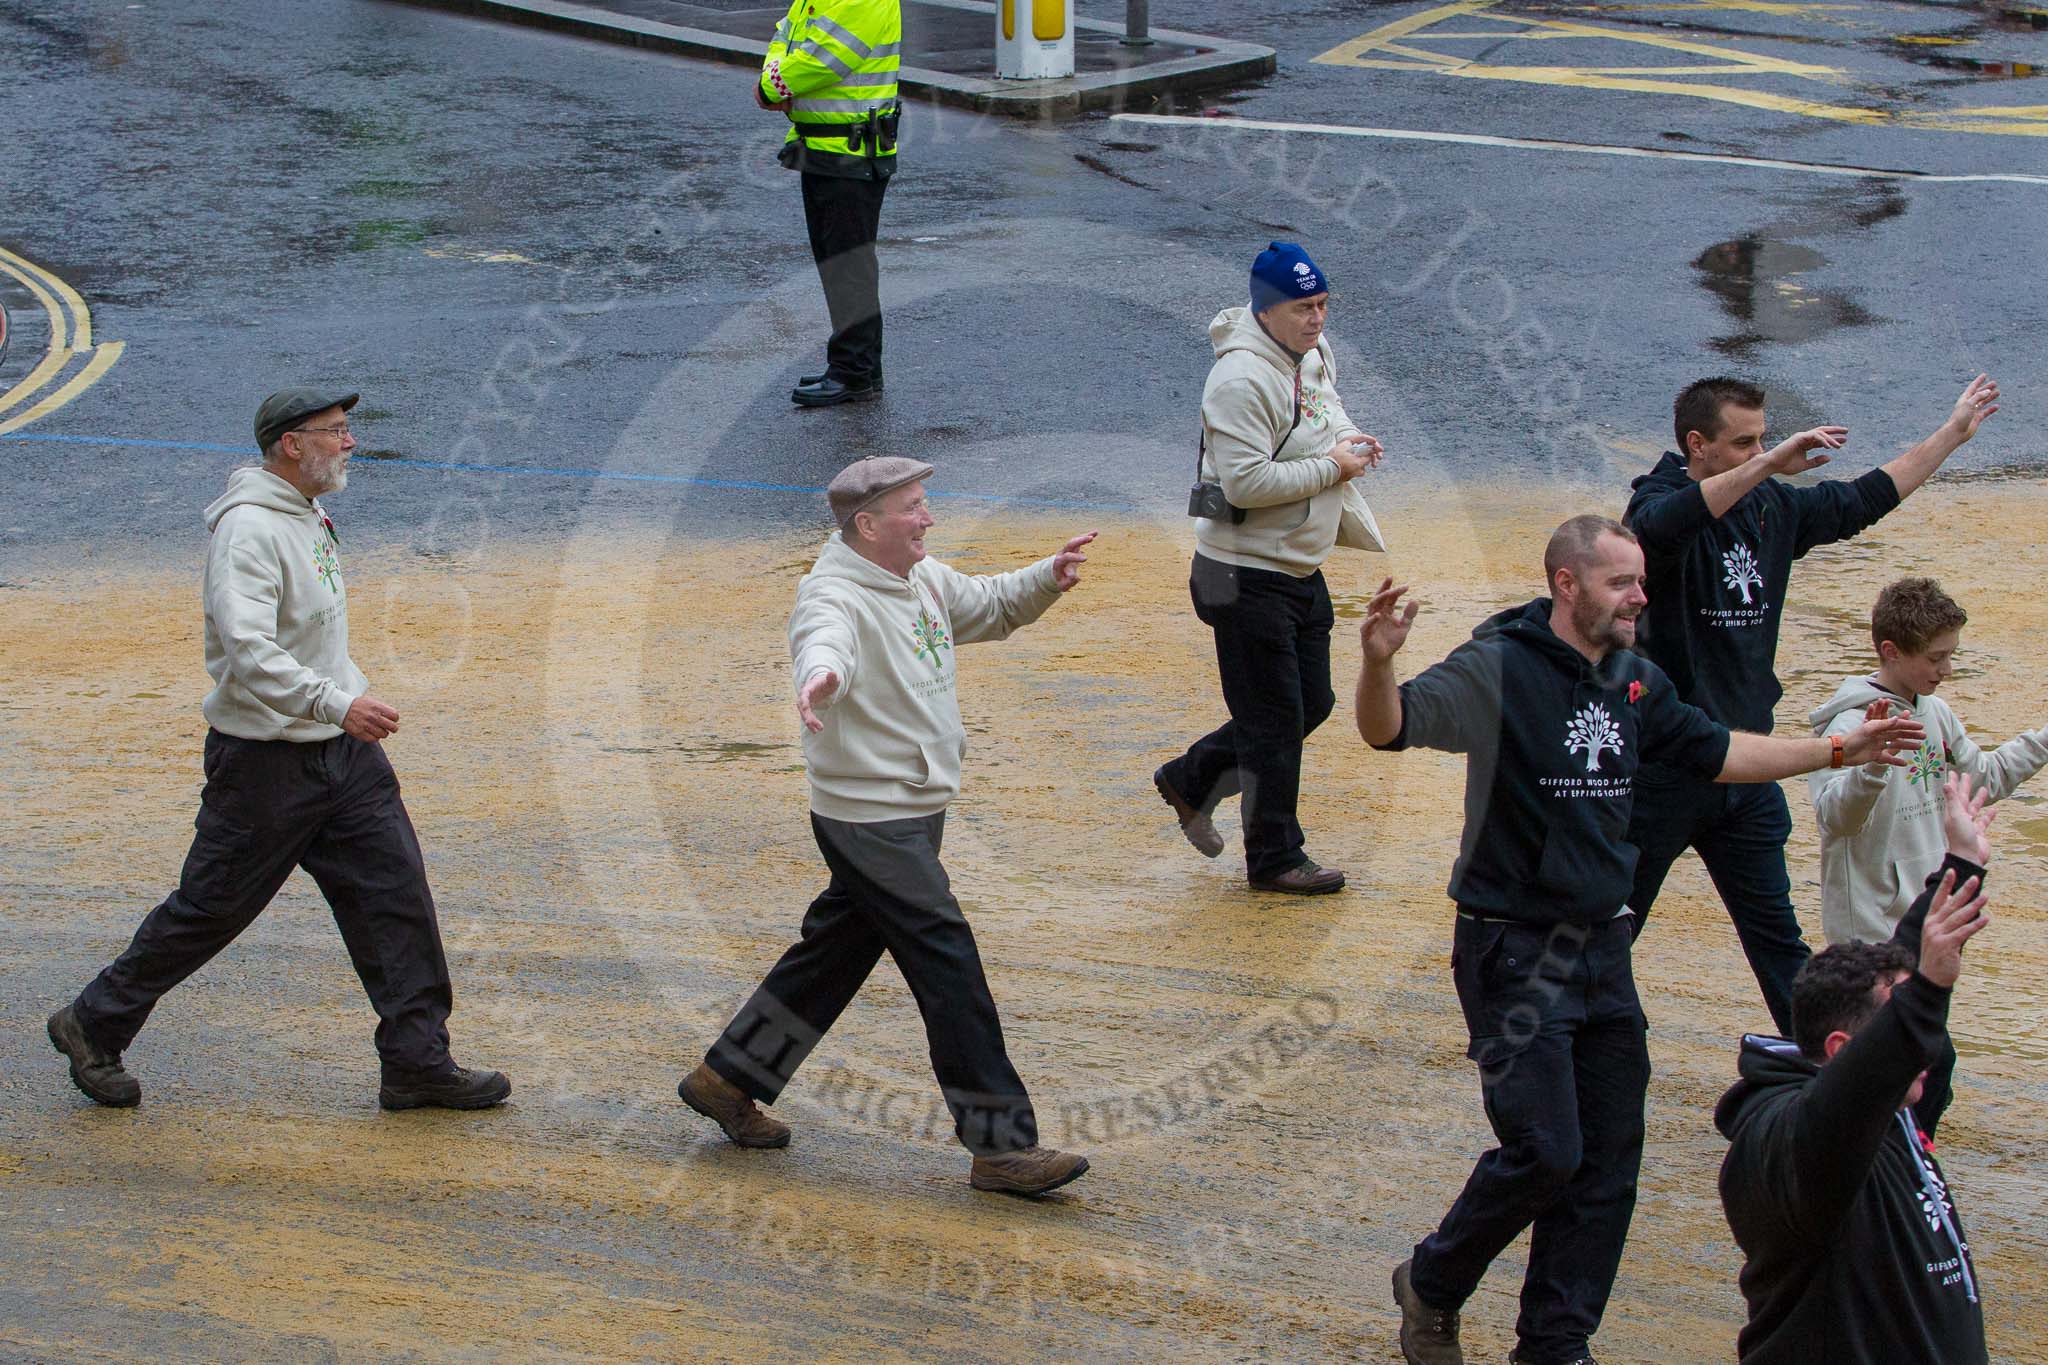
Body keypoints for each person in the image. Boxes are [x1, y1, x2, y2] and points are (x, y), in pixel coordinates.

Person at [1353, 516, 1921, 1365]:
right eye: (1621, 582)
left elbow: (1721, 752)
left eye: (1642, 581)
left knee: (1610, 1160)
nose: (1640, 597)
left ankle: (1555, 1345)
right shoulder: (1499, 666)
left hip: (1604, 946)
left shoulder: (1637, 682)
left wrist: (1840, 748)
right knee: (1547, 1150)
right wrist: (1377, 662)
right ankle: (1433, 1279)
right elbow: (1388, 726)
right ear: (1567, 583)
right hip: (1514, 950)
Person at [46, 389, 509, 1112]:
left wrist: (342, 701)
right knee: (211, 907)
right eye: (336, 431)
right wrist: (336, 702)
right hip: (265, 765)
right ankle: (93, 1020)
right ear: (292, 444)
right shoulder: (248, 532)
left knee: (397, 898)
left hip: (343, 757)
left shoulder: (306, 511)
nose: (350, 443)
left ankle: (417, 1061)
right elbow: (249, 650)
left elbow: (308, 634)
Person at [678, 456, 1097, 1196]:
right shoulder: (831, 594)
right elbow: (824, 641)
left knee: (835, 951)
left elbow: (987, 604)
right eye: (913, 507)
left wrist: (1045, 577)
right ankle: (1001, 1147)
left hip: (911, 807)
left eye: (924, 502)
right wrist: (822, 678)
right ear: (868, 524)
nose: (928, 517)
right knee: (948, 960)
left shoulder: (920, 576)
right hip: (870, 819)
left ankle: (728, 1077)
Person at [1622, 374, 2000, 1034]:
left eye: (1763, 439)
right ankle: (1547, 1043)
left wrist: (1951, 435)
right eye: (1744, 443)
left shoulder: (1771, 507)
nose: (1761, 452)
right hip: (1662, 773)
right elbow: (1665, 524)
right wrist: (1770, 463)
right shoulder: (1656, 504)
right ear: (1697, 444)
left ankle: (1838, 1072)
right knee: (1607, 933)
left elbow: (1863, 500)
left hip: (1749, 769)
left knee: (1782, 950)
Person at [1716, 771, 1993, 1364]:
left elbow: (1906, 962)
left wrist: (1962, 864)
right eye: (1898, 1034)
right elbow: (1871, 1072)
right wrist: (1928, 992)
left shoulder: (1885, 1107)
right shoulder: (1798, 1142)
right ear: (1843, 1051)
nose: (1921, 1052)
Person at [1154, 241, 1386, 895]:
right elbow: (1247, 483)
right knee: (1276, 719)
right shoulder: (1238, 381)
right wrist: (1333, 467)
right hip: (1239, 573)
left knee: (1312, 703)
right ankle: (1276, 857)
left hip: (1296, 564)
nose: (1317, 319)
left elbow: (1327, 411)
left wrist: (1350, 439)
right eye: (1303, 308)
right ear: (1265, 309)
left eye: (1323, 305)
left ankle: (1193, 777)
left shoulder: (1312, 352)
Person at [1809, 575, 2048, 946]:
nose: (1947, 669)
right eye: (1936, 658)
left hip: (1932, 918)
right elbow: (1837, 820)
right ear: (1891, 651)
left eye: (1951, 655)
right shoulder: (1848, 727)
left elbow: (1985, 779)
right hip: (1870, 934)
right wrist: (1873, 767)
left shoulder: (1936, 712)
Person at [758, 0, 902, 407]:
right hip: (822, 147)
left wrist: (772, 87)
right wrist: (774, 78)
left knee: (848, 264)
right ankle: (860, 368)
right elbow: (784, 38)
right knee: (839, 261)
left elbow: (825, 60)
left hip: (851, 152)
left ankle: (852, 373)